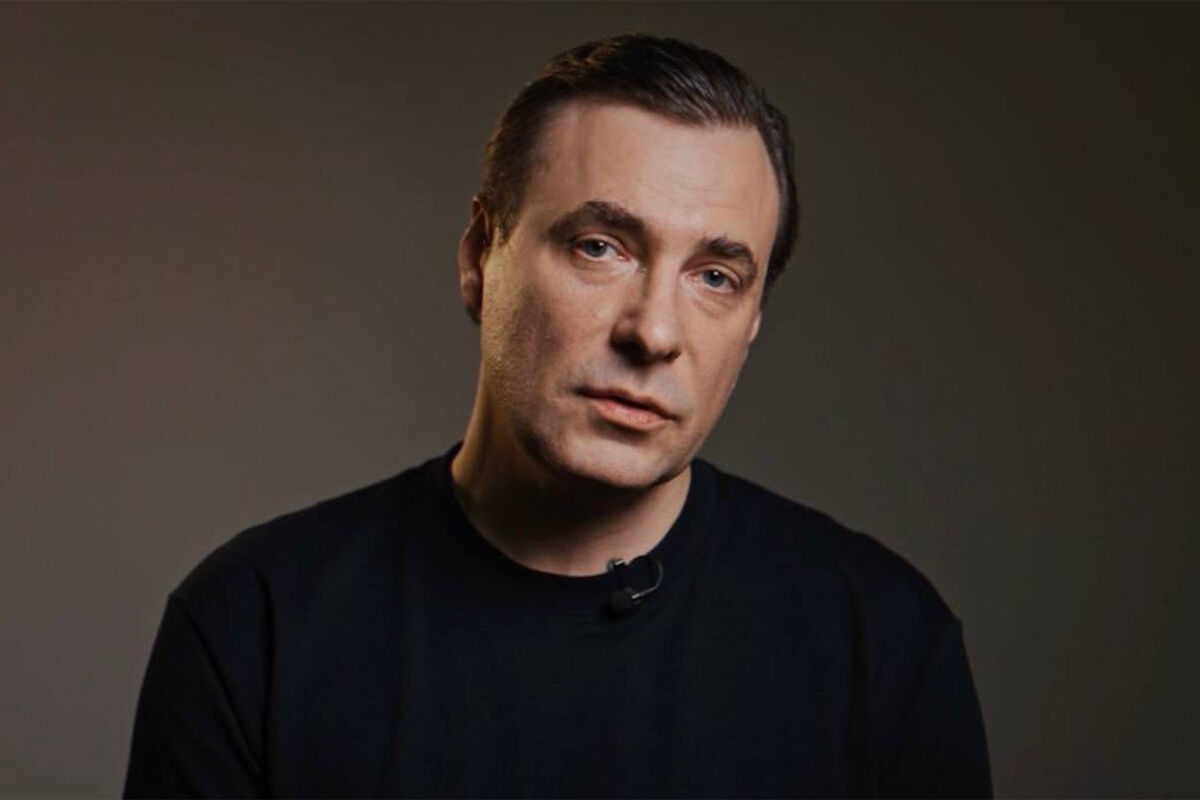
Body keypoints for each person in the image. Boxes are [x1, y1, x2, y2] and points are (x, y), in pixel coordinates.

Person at [124, 34, 991, 798]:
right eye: (599, 247)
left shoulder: (883, 642)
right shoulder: (256, 624)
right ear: (480, 256)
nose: (654, 332)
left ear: (754, 319)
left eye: (715, 277)